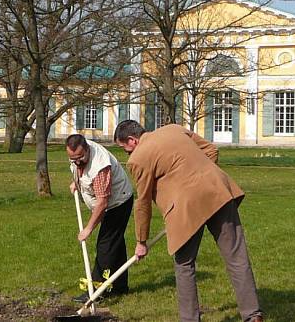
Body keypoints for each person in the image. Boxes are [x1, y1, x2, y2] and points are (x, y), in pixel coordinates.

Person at [113, 120, 263, 322]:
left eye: (124, 149)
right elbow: (210, 150)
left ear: (132, 140)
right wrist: (202, 179)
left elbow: (143, 202)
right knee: (237, 256)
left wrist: (141, 241)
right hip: (218, 190)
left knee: (184, 264)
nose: (127, 154)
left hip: (185, 209)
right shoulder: (174, 129)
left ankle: (189, 319)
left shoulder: (138, 159)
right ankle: (253, 315)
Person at [66, 134, 134, 303]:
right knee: (115, 244)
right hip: (107, 202)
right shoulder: (78, 153)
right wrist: (77, 181)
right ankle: (120, 287)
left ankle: (95, 291)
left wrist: (88, 229)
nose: (77, 161)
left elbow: (102, 203)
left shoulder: (100, 165)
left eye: (80, 157)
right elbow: (79, 168)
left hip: (118, 203)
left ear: (87, 149)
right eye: (73, 159)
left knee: (105, 245)